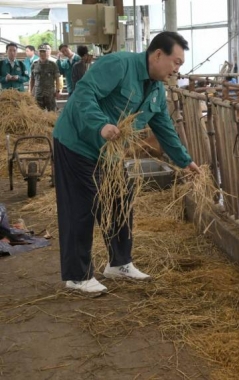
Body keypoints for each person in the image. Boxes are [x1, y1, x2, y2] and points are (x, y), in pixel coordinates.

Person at [52, 31, 200, 294]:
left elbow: (164, 127)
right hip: (78, 143)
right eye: (176, 62)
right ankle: (77, 275)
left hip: (109, 152)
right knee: (81, 206)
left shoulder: (154, 88)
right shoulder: (119, 64)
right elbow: (84, 93)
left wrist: (185, 161)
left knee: (120, 199)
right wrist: (101, 125)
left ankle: (119, 263)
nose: (177, 69)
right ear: (157, 55)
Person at [29, 44, 60, 112]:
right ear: (38, 53)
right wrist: (30, 91)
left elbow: (57, 79)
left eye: (44, 52)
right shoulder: (34, 64)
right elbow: (32, 79)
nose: (42, 54)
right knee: (38, 114)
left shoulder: (53, 64)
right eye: (41, 52)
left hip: (50, 94)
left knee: (52, 113)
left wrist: (57, 91)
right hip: (38, 94)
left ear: (47, 52)